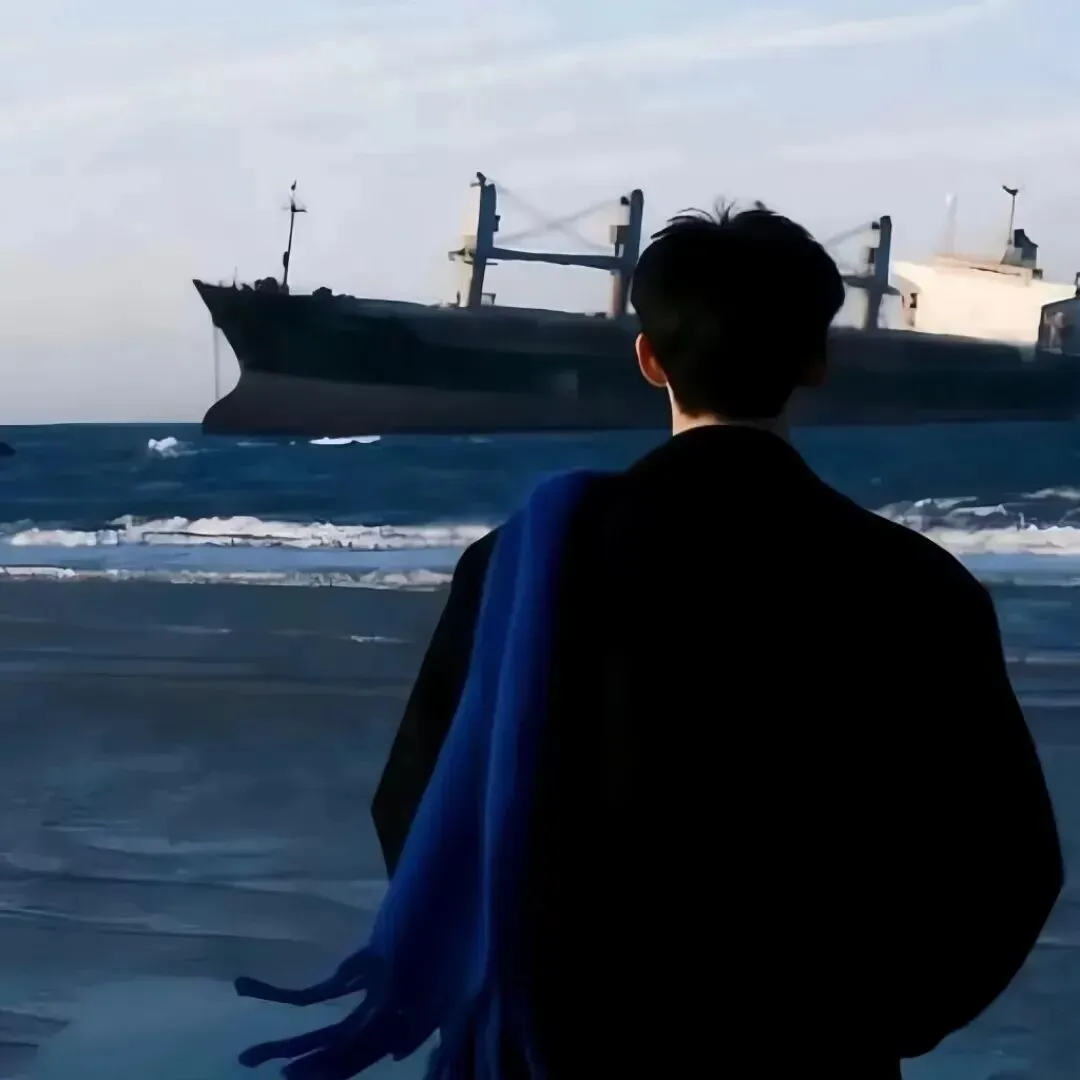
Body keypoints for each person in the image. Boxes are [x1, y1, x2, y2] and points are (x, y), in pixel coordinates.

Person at [370, 203, 1064, 1077]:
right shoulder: (916, 583)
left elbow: (415, 808)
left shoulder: (518, 565)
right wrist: (870, 1023)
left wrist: (515, 979)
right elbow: (1009, 862)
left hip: (562, 1047)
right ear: (816, 362)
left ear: (648, 358)